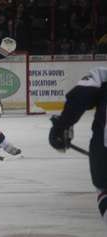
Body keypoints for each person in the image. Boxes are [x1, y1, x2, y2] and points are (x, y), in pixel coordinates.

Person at [49, 67, 107, 225]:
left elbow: (81, 96)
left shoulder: (102, 74)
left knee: (104, 188)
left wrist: (62, 126)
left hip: (105, 144)